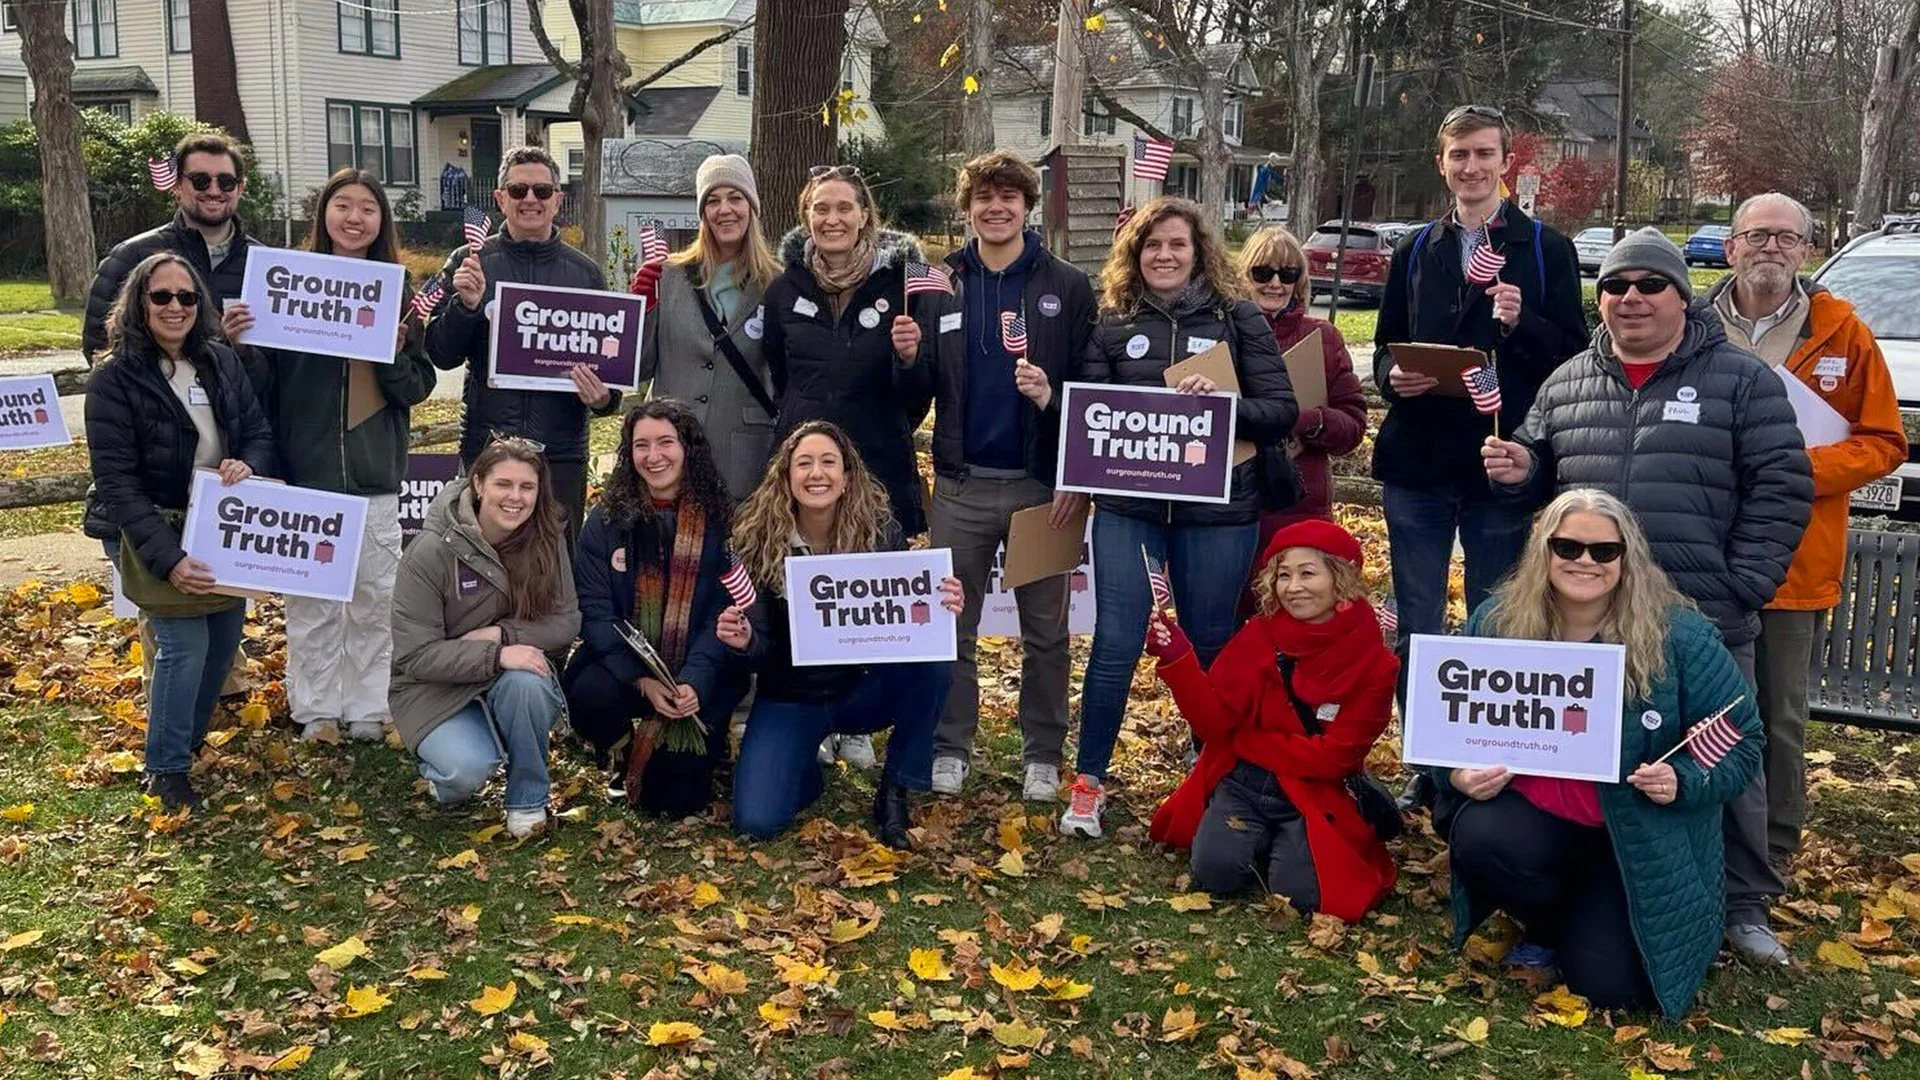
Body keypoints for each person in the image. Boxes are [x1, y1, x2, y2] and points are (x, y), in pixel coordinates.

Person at [1482, 227, 1814, 965]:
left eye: (1649, 285)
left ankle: (1743, 902)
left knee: (1721, 759)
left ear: (1681, 295)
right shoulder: (1568, 380)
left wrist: (1744, 584)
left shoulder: (1739, 378)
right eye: (1615, 286)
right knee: (1596, 764)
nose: (1630, 298)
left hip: (1700, 613)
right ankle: (1592, 893)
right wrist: (1520, 467)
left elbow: (1783, 485)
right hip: (1591, 619)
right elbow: (1545, 475)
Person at [1435, 489, 1762, 1017]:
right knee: (1480, 836)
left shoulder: (1680, 635)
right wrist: (1455, 774)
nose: (1583, 562)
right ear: (1542, 551)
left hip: (1634, 836)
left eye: (1603, 552)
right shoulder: (1498, 619)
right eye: (1567, 547)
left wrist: (1684, 778)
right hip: (1539, 821)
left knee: (1611, 989)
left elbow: (1743, 740)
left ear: (1627, 559)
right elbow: (1448, 730)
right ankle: (1549, 922)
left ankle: (1590, 923)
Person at [1066, 196, 1298, 840]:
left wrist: (1225, 401)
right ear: (1134, 255)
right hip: (1128, 507)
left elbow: (1280, 412)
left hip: (1218, 509)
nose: (1164, 256)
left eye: (1177, 245)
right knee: (1114, 641)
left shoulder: (1238, 316)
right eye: (1151, 246)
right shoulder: (1111, 319)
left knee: (1209, 642)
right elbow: (1090, 413)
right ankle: (1089, 782)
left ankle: (1212, 771)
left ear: (1199, 253)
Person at [1702, 193, 1908, 866]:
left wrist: (1793, 469)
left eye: (1787, 238)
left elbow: (1883, 442)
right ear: (1730, 247)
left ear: (1807, 250)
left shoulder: (1843, 332)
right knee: (1689, 701)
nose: (1771, 248)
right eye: (1756, 235)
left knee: (1779, 716)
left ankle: (1774, 847)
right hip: (1697, 549)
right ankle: (1693, 837)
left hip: (1795, 557)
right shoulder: (1692, 322)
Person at [1370, 105, 1586, 713]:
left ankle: (1487, 748)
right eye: (1459, 155)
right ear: (1442, 165)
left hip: (1500, 462)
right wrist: (1394, 376)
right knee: (1418, 620)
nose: (1472, 166)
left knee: (1495, 617)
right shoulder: (1415, 250)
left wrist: (1522, 323)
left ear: (1504, 162)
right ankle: (1426, 762)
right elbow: (1387, 345)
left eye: (1484, 154)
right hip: (1418, 464)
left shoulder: (1544, 248)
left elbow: (1574, 353)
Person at [228, 168, 438, 743]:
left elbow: (418, 386)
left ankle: (370, 706)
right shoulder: (286, 286)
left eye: (367, 208)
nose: (353, 217)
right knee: (314, 602)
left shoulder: (398, 293)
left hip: (374, 476)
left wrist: (395, 353)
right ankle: (317, 709)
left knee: (376, 597)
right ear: (323, 214)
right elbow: (262, 387)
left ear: (381, 221)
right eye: (341, 205)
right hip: (308, 473)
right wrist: (242, 342)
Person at [923, 150, 1096, 801]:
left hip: (1041, 486)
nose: (996, 208)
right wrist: (908, 358)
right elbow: (915, 384)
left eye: (1008, 197)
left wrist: (1052, 399)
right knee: (952, 627)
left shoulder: (1067, 286)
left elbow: (1093, 386)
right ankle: (950, 746)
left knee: (1047, 631)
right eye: (983, 198)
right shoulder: (939, 283)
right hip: (961, 485)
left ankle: (1043, 755)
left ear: (1026, 206)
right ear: (967, 208)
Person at [83, 253, 276, 810]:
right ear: (140, 303)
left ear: (201, 305)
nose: (175, 307)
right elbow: (117, 485)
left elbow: (257, 431)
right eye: (161, 296)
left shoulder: (218, 361)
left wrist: (249, 465)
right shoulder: (114, 377)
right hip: (151, 526)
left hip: (218, 523)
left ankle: (186, 743)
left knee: (221, 642)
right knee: (182, 644)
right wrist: (169, 559)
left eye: (186, 297)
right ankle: (165, 768)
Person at [760, 164, 937, 770]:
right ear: (806, 216)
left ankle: (858, 717)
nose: (832, 220)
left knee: (868, 592)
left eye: (844, 208)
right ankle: (816, 708)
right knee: (808, 590)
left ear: (866, 215)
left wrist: (908, 360)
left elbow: (920, 390)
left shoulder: (901, 285)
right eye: (821, 209)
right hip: (804, 465)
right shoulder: (785, 288)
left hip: (878, 460)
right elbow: (779, 374)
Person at [719, 422, 960, 849]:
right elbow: (760, 645)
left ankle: (895, 790)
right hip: (790, 695)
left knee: (937, 659)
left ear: (847, 477)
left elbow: (907, 623)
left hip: (860, 688)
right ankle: (802, 766)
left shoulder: (879, 533)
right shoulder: (757, 541)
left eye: (828, 462)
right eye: (804, 464)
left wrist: (940, 603)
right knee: (757, 822)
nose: (817, 474)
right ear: (786, 476)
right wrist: (745, 642)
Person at [1143, 520, 1398, 921]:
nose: (1293, 586)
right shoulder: (1259, 635)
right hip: (1243, 783)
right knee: (1216, 873)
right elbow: (1214, 724)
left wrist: (1245, 740)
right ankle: (1253, 843)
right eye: (1283, 575)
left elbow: (1335, 758)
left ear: (1340, 579)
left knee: (1301, 896)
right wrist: (1178, 658)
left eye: (1307, 573)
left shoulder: (1377, 663)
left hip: (1312, 791)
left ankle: (1283, 845)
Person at [562, 399, 750, 816]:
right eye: (641, 445)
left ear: (688, 448)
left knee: (672, 803)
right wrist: (641, 680)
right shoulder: (606, 520)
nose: (654, 456)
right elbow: (595, 611)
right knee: (589, 694)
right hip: (627, 666)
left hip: (699, 667)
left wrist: (695, 683)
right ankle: (620, 749)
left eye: (666, 442)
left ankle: (707, 740)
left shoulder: (724, 520)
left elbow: (724, 613)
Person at [423, 146, 621, 539]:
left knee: (553, 576)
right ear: (500, 198)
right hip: (488, 449)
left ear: (558, 200)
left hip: (560, 456)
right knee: (482, 570)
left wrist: (602, 398)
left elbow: (610, 384)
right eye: (518, 191)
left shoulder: (586, 274)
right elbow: (440, 355)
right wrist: (466, 307)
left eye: (542, 192)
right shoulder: (470, 262)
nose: (530, 199)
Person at [389, 438, 580, 838]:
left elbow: (565, 621)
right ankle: (450, 760)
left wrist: (502, 636)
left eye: (527, 487)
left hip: (510, 676)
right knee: (463, 774)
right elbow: (415, 656)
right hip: (434, 687)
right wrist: (496, 656)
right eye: (503, 485)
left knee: (526, 684)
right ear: (478, 485)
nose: (515, 497)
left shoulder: (548, 536)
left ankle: (527, 799)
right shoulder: (429, 550)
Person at [630, 154, 783, 502]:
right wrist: (642, 311)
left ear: (752, 207)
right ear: (702, 213)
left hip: (745, 452)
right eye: (712, 200)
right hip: (671, 447)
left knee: (735, 552)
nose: (724, 209)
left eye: (735, 197)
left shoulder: (777, 283)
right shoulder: (668, 277)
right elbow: (639, 367)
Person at [1235, 227, 1367, 577]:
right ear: (1244, 276)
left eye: (1288, 273)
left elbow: (1352, 428)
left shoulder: (1322, 337)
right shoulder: (1223, 334)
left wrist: (1303, 419)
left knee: (1295, 615)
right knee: (1226, 621)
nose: (1275, 283)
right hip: (1233, 502)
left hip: (1300, 501)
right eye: (1263, 273)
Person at [84, 132, 259, 363]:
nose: (214, 191)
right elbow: (98, 346)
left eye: (226, 182)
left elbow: (281, 363)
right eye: (200, 180)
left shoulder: (267, 269)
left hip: (241, 398)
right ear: (176, 184)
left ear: (241, 187)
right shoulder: (130, 258)